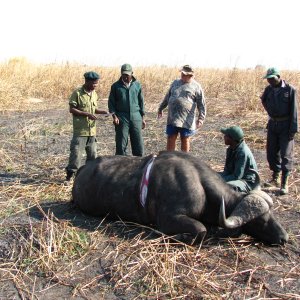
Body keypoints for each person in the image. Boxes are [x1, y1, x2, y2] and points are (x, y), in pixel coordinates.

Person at [261, 67, 298, 195]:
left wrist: (293, 129)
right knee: (271, 152)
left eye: (272, 78)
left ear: (278, 76)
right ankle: (275, 177)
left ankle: (284, 182)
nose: (270, 81)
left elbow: (294, 110)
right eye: (268, 79)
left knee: (286, 154)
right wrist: (270, 112)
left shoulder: (290, 89)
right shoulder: (268, 90)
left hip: (285, 125)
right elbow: (263, 100)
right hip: (273, 124)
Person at [65, 71, 108, 181]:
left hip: (92, 131)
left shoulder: (94, 94)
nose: (95, 86)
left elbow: (94, 109)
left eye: (96, 83)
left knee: (92, 155)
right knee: (76, 155)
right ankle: (70, 176)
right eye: (93, 83)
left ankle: (89, 177)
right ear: (87, 81)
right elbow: (72, 109)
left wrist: (103, 112)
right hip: (81, 130)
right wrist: (87, 114)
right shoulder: (77, 93)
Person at [157, 65, 206, 152]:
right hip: (173, 117)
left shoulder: (196, 86)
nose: (182, 75)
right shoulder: (175, 83)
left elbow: (201, 104)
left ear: (190, 75)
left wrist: (201, 118)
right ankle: (170, 158)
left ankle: (184, 160)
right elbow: (167, 97)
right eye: (182, 74)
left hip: (187, 119)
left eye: (185, 74)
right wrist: (161, 108)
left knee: (185, 138)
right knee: (171, 137)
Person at [108, 63, 146, 156]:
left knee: (138, 142)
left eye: (127, 75)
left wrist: (143, 118)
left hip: (136, 116)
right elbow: (111, 103)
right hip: (121, 117)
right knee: (121, 142)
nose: (125, 77)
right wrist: (114, 116)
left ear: (132, 73)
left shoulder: (137, 85)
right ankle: (121, 164)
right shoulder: (115, 86)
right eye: (123, 75)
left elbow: (141, 102)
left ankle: (139, 164)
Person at [218, 126, 259, 193]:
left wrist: (219, 180)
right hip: (235, 177)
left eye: (226, 135)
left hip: (247, 182)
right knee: (211, 176)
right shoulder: (231, 149)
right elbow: (227, 171)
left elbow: (237, 176)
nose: (224, 137)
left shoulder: (242, 153)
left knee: (227, 186)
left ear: (232, 139)